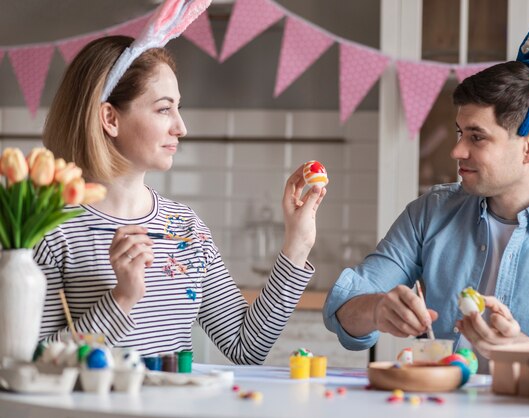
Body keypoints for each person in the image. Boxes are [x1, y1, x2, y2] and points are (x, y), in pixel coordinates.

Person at [35, 35, 326, 365]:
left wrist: (297, 244)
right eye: (163, 109)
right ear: (110, 119)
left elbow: (248, 347)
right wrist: (121, 299)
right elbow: (35, 363)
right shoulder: (49, 230)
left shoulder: (185, 227)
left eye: (178, 108)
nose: (181, 127)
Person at [322, 59, 529, 372]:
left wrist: (523, 349)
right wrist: (376, 309)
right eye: (459, 133)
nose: (457, 151)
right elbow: (340, 309)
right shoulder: (430, 212)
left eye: (476, 137)